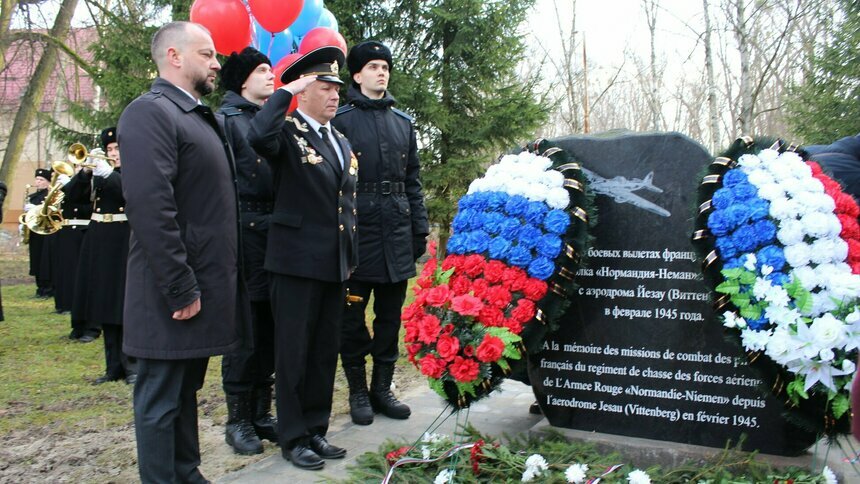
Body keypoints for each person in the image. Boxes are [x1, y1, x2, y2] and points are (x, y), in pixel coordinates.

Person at [118, 21, 249, 484]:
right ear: (174, 56)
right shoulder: (150, 113)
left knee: (185, 391)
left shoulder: (194, 115)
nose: (217, 63)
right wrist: (179, 285)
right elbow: (152, 208)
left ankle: (186, 473)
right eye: (207, 54)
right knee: (159, 398)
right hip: (169, 291)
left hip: (202, 284)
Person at [248, 45, 357, 471]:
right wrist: (284, 93)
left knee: (323, 351)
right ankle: (292, 437)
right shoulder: (287, 133)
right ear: (305, 91)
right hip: (294, 263)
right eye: (325, 86)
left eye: (337, 88)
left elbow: (347, 206)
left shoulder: (341, 140)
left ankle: (315, 429)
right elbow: (257, 136)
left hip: (333, 264)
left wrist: (351, 259)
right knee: (292, 352)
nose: (334, 95)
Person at [332, 40, 429, 425]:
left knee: (391, 316)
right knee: (352, 317)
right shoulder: (340, 121)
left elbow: (413, 181)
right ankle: (357, 390)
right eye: (373, 66)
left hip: (397, 231)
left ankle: (381, 388)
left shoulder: (403, 123)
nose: (381, 72)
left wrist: (418, 228)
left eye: (385, 66)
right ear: (356, 75)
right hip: (358, 231)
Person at [216, 46, 278, 455]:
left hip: (277, 230)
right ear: (242, 81)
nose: (271, 76)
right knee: (246, 329)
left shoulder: (275, 118)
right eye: (261, 70)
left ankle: (261, 412)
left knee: (271, 324)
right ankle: (237, 418)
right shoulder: (225, 121)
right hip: (242, 231)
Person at [72, 128, 135, 383]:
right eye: (109, 150)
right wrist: (85, 173)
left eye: (117, 149)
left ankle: (132, 366)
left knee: (122, 302)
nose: (113, 154)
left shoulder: (133, 170)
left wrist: (109, 175)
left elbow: (130, 194)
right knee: (104, 301)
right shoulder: (98, 174)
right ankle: (113, 367)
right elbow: (73, 198)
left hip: (123, 237)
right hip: (99, 237)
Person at [26, 168, 53, 299]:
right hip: (34, 232)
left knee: (44, 260)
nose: (38, 182)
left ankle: (47, 288)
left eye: (41, 180)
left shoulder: (49, 196)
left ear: (48, 182)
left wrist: (35, 209)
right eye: (37, 179)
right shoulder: (32, 197)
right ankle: (39, 287)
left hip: (46, 231)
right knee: (35, 258)